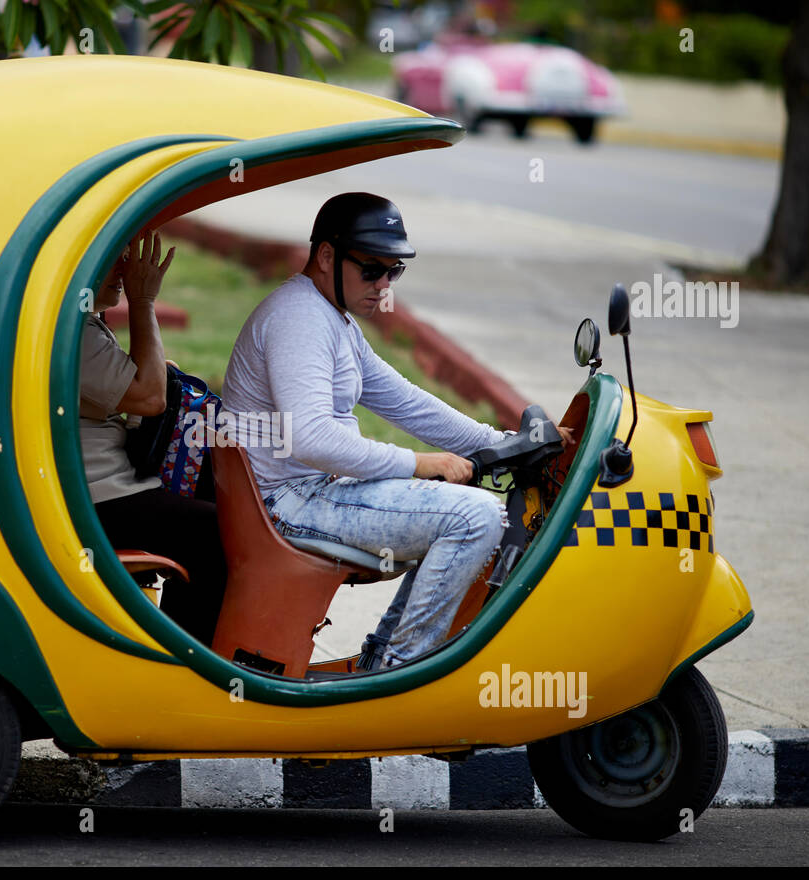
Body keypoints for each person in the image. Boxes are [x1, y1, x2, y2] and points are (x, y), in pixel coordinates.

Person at [223, 193, 573, 669]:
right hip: (290, 500)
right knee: (475, 519)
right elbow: (311, 438)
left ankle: (379, 665)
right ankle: (402, 672)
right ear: (326, 256)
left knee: (474, 512)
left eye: (394, 272)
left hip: (312, 492)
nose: (383, 285)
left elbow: (407, 402)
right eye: (372, 269)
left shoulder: (332, 319)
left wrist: (505, 443)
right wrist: (419, 463)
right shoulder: (299, 319)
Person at [79, 230, 227, 645]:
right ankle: (189, 659)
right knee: (215, 533)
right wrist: (143, 302)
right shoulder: (73, 333)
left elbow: (146, 380)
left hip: (104, 483)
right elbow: (149, 397)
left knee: (212, 498)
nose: (126, 269)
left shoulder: (83, 323)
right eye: (114, 257)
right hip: (97, 497)